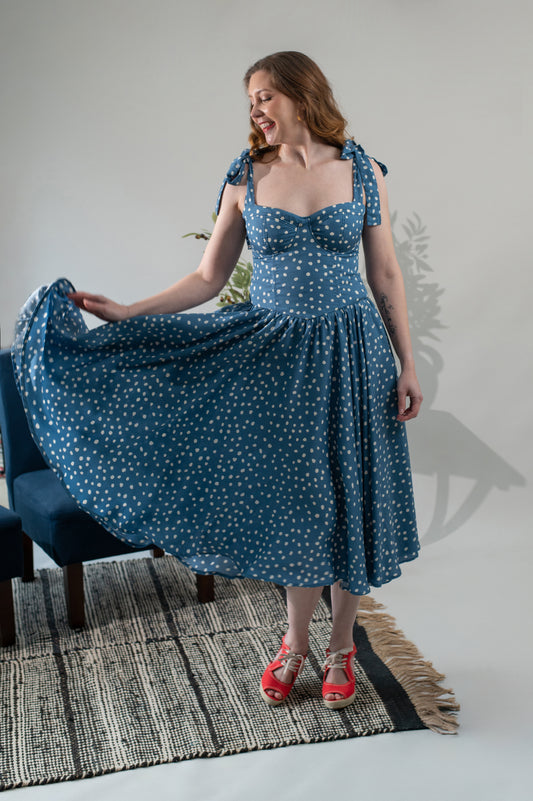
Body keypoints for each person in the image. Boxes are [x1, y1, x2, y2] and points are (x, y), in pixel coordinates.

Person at [13, 51, 422, 710]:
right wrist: (129, 311)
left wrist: (407, 363)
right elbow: (208, 277)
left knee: (350, 500)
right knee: (298, 505)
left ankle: (342, 647)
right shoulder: (245, 175)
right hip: (276, 362)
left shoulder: (362, 171)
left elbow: (385, 275)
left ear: (301, 93)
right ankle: (294, 644)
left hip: (353, 356)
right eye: (251, 100)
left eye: (265, 96)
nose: (255, 110)